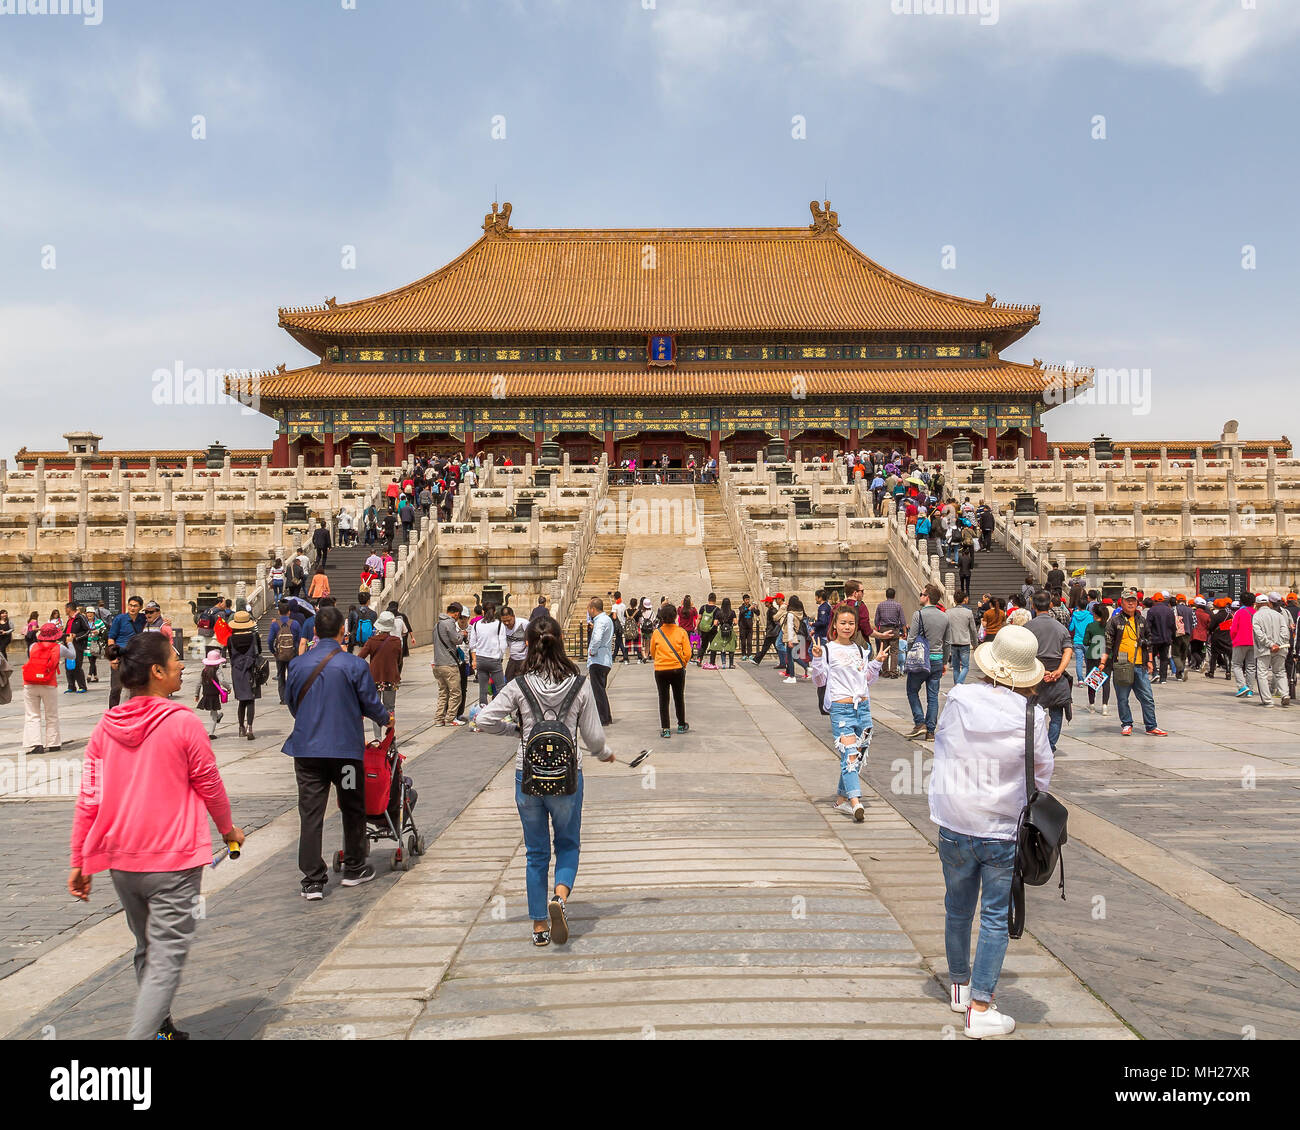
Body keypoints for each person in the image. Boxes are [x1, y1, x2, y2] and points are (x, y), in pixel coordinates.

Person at [68, 631, 245, 1040]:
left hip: (122, 864)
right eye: (175, 659)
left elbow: (88, 801)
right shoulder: (183, 723)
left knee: (148, 947)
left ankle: (161, 1028)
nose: (183, 664)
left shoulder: (103, 728)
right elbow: (210, 786)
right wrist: (228, 830)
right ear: (157, 671)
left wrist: (79, 860)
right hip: (173, 863)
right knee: (166, 959)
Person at [929, 624, 1053, 1039]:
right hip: (1001, 826)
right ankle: (982, 1006)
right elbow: (1042, 777)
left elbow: (942, 741)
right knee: (995, 917)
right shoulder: (1032, 715)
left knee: (957, 908)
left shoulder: (959, 697)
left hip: (955, 819)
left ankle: (961, 987)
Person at [474, 614, 613, 946]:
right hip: (567, 778)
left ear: (528, 646)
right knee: (567, 844)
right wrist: (604, 753)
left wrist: (516, 730)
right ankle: (560, 898)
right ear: (560, 640)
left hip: (528, 777)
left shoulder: (519, 685)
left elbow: (483, 720)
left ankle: (539, 925)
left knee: (536, 852)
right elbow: (593, 737)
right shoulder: (579, 684)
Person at [283, 605, 393, 900]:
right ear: (343, 632)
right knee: (351, 805)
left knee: (310, 812)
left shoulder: (298, 664)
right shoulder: (354, 665)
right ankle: (354, 867)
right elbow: (371, 704)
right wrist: (385, 718)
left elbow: (292, 703)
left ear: (315, 632)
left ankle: (313, 880)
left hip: (308, 754)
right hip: (344, 754)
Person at [811, 604, 883, 822]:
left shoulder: (861, 650)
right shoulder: (827, 649)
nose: (847, 627)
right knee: (850, 755)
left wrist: (876, 664)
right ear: (835, 624)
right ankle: (856, 802)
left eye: (851, 623)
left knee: (856, 756)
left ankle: (842, 800)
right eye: (843, 623)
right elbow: (819, 680)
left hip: (863, 708)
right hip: (841, 709)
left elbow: (867, 680)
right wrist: (816, 659)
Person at [1098, 587, 1167, 737]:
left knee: (1147, 697)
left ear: (1137, 603)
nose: (1130, 604)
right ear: (1121, 603)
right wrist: (1103, 662)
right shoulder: (1114, 621)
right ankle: (1127, 723)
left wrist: (1150, 661)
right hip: (1122, 664)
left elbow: (1149, 641)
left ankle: (1151, 725)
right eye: (1127, 601)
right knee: (1123, 698)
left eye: (1133, 601)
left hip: (1140, 664)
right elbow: (1108, 643)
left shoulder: (1141, 620)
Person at [1025, 592, 1074, 752]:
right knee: (1056, 714)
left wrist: (1040, 670)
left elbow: (1023, 653)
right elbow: (1068, 650)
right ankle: (1050, 746)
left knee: (1030, 714)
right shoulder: (1060, 627)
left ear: (1033, 606)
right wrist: (1059, 671)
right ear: (1051, 605)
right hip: (1056, 676)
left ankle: (1034, 746)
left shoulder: (1027, 628)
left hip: (1034, 675)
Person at [905, 584, 951, 741]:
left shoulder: (918, 615)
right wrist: (945, 661)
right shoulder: (945, 616)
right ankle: (931, 731)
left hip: (920, 660)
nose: (920, 596)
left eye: (921, 594)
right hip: (937, 661)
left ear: (927, 597)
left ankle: (919, 723)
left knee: (912, 690)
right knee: (933, 696)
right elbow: (947, 642)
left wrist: (908, 655)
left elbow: (911, 639)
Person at [649, 603, 692, 738]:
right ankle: (680, 724)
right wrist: (682, 663)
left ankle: (666, 728)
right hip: (677, 669)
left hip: (661, 669)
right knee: (679, 697)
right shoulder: (681, 632)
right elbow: (688, 652)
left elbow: (652, 652)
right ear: (675, 616)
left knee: (663, 698)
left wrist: (660, 661)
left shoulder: (657, 633)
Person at [358, 610, 404, 739]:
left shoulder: (372, 641)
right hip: (391, 678)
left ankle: (378, 738)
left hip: (374, 679)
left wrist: (370, 667)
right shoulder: (396, 641)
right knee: (390, 708)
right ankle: (389, 737)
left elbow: (359, 657)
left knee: (375, 708)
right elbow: (399, 660)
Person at [22, 620, 63, 754]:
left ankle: (36, 744)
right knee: (51, 714)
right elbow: (54, 663)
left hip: (30, 683)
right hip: (48, 683)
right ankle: (53, 743)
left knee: (32, 714)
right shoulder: (56, 647)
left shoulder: (33, 646)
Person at [107, 595, 146, 708]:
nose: (132, 608)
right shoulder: (120, 619)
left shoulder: (143, 618)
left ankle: (132, 712)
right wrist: (112, 657)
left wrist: (167, 622)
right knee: (116, 688)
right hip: (119, 656)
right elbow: (111, 639)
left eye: (135, 606)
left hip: (135, 657)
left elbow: (155, 618)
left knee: (135, 688)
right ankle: (112, 713)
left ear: (140, 607)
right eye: (130, 605)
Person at [1252, 592, 1290, 707]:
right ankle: (1285, 694)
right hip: (1280, 648)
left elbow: (1259, 634)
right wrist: (1277, 644)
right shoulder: (1278, 615)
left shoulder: (1257, 616)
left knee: (1262, 674)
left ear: (1257, 604)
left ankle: (1268, 700)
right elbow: (1285, 631)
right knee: (1280, 672)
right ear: (1268, 603)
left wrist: (1270, 644)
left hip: (1264, 650)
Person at [469, 603, 509, 707]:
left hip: (481, 659)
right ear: (495, 611)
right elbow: (503, 645)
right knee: (500, 688)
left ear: (483, 611)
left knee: (483, 690)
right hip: (494, 659)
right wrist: (500, 657)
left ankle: (482, 713)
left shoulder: (476, 625)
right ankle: (501, 712)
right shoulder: (499, 624)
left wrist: (475, 659)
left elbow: (472, 644)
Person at [586, 597, 613, 726]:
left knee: (598, 691)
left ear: (593, 609)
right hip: (605, 658)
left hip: (598, 660)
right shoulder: (606, 619)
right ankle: (607, 715)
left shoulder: (600, 621)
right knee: (601, 690)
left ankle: (603, 718)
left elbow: (597, 638)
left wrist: (592, 650)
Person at [267, 600, 301, 705]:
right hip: (293, 654)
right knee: (292, 675)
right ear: (289, 612)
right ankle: (292, 696)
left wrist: (273, 651)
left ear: (279, 612)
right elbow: (300, 640)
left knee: (281, 676)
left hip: (280, 654)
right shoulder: (295, 624)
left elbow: (269, 640)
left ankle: (283, 698)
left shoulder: (275, 625)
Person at [1082, 605, 1111, 715]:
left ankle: (1092, 705)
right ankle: (1104, 706)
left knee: (1093, 681)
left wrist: (1091, 642)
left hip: (1093, 655)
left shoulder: (1090, 626)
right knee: (1106, 682)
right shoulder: (1108, 626)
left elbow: (1085, 642)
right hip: (1107, 656)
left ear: (1095, 614)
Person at [946, 591, 980, 685]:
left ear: (954, 599)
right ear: (964, 600)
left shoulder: (948, 612)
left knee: (956, 667)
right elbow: (973, 629)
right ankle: (959, 684)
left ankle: (957, 685)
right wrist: (975, 643)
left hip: (953, 642)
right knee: (965, 667)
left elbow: (946, 628)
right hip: (964, 642)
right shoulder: (968, 612)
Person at [195, 649, 231, 737]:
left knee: (213, 711)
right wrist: (228, 687)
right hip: (214, 695)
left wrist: (197, 694)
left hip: (206, 694)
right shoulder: (217, 670)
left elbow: (198, 683)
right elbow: (222, 681)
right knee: (213, 715)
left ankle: (218, 716)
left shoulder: (204, 671)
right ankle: (211, 733)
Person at [872, 586, 905, 677]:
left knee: (884, 651)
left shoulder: (880, 605)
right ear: (894, 595)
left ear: (886, 595)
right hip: (894, 629)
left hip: (883, 630)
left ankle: (885, 671)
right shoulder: (898, 605)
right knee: (894, 651)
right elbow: (902, 620)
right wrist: (904, 631)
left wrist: (879, 629)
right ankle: (893, 672)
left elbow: (876, 620)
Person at [1230, 595, 1258, 698]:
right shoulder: (1256, 613)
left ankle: (1242, 686)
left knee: (1237, 665)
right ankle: (1250, 690)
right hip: (1253, 642)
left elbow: (1233, 629)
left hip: (1240, 641)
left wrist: (1233, 639)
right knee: (1251, 666)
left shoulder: (1239, 612)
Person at [1146, 592, 1177, 683]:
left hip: (1154, 639)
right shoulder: (1169, 610)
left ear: (1154, 601)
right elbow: (1172, 625)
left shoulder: (1152, 611)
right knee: (1164, 658)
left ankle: (1155, 673)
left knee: (1151, 656)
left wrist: (1147, 637)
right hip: (1166, 638)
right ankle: (1163, 678)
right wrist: (1173, 637)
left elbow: (1148, 626)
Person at [781, 595, 812, 683]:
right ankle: (807, 668)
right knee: (793, 656)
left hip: (792, 637)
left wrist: (789, 640)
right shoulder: (800, 613)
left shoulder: (790, 614)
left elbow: (790, 627)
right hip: (798, 636)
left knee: (790, 657)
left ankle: (792, 676)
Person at [501, 606, 529, 684]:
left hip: (524, 658)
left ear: (513, 616)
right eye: (504, 621)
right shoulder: (502, 627)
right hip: (513, 658)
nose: (507, 623)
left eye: (509, 620)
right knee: (508, 681)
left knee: (523, 682)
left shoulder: (523, 623)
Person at [709, 597, 738, 668]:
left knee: (723, 647)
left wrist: (720, 623)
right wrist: (732, 625)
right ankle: (731, 664)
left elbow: (715, 623)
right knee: (731, 648)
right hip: (730, 631)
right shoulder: (732, 612)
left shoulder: (719, 612)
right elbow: (736, 622)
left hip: (721, 631)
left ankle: (723, 663)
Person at [696, 592, 720, 667]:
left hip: (703, 630)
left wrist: (697, 627)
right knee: (713, 646)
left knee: (703, 645)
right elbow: (716, 622)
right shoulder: (717, 609)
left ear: (708, 599)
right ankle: (712, 662)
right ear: (715, 600)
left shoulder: (703, 607)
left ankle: (699, 659)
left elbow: (699, 618)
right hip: (712, 630)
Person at [737, 594, 756, 659]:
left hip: (749, 627)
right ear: (744, 600)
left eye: (748, 599)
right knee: (743, 642)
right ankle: (743, 654)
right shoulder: (741, 607)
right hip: (743, 627)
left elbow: (758, 613)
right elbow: (742, 612)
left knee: (749, 642)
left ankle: (749, 654)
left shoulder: (751, 607)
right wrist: (748, 609)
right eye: (746, 600)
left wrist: (756, 608)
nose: (747, 601)